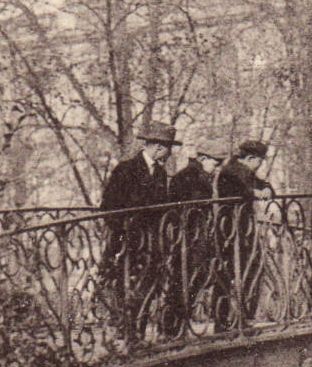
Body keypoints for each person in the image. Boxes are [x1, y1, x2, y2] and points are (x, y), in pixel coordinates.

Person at [99, 122, 177, 343]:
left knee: (148, 286)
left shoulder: (160, 173)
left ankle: (139, 332)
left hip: (152, 244)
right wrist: (121, 235)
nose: (170, 153)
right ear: (159, 147)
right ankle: (126, 333)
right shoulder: (126, 169)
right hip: (128, 243)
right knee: (126, 288)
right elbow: (108, 207)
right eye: (169, 147)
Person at [212, 140, 275, 331]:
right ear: (250, 158)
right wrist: (256, 192)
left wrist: (265, 190)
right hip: (231, 230)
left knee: (250, 270)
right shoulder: (231, 171)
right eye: (259, 161)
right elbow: (242, 191)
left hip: (243, 230)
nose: (260, 165)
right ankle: (223, 321)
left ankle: (243, 317)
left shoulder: (246, 172)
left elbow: (268, 188)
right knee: (228, 273)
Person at [166, 146, 224, 336]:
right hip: (189, 238)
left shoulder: (198, 176)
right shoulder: (189, 177)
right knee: (185, 278)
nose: (217, 169)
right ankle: (174, 325)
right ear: (203, 158)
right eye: (215, 164)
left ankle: (178, 324)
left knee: (193, 278)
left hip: (196, 237)